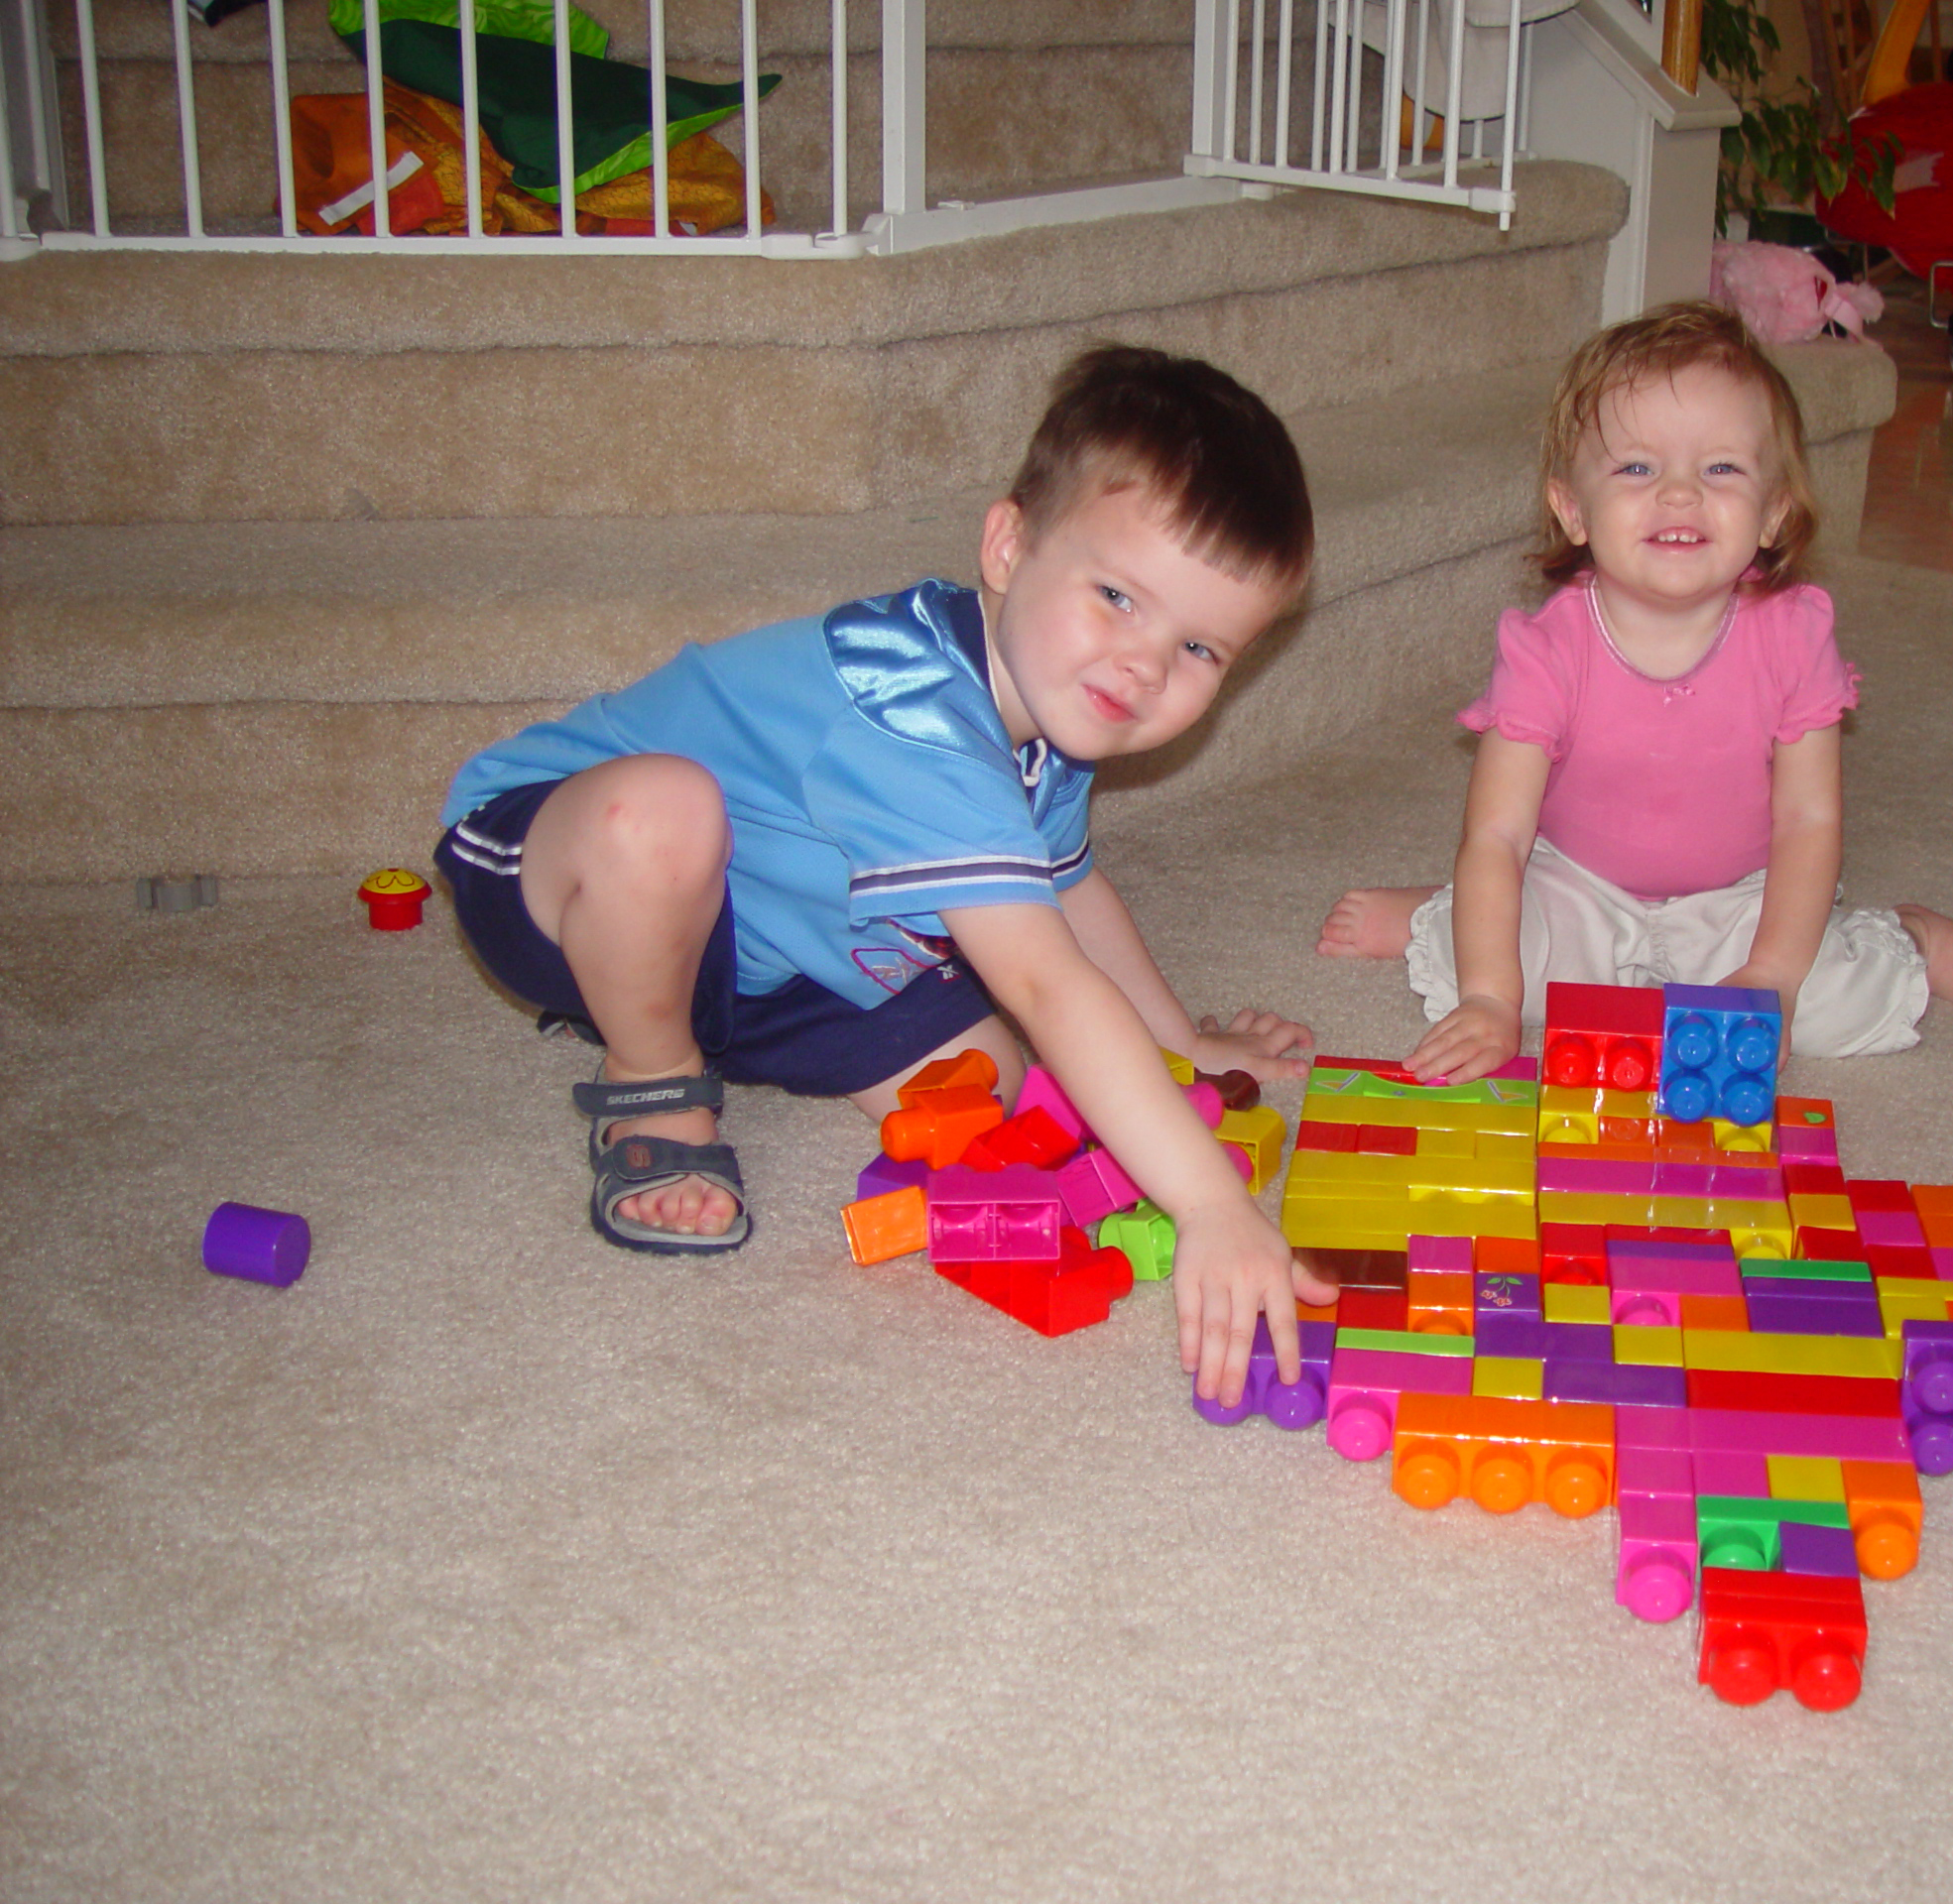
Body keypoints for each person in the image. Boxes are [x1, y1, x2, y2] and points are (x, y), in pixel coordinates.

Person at [434, 344, 1333, 1403]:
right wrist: (1209, 1206)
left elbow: (1069, 895)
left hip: (776, 940)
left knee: (987, 1093)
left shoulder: (1050, 706)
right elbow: (1048, 978)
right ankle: (650, 1077)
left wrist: (1176, 1040)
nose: (1143, 666)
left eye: (1200, 651)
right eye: (1116, 597)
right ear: (1006, 545)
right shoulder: (910, 712)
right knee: (661, 816)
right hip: (556, 865)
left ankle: (682, 1010)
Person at [1316, 300, 1953, 1084]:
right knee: (1477, 977)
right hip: (1577, 880)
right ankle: (1439, 909)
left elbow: (1808, 821)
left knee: (1830, 1008)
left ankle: (1911, 936)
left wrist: (1774, 980)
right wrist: (1489, 997)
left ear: (1774, 511)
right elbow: (1498, 838)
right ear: (1573, 509)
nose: (1681, 494)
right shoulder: (1545, 649)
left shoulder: (1793, 635)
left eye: (1720, 468)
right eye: (1638, 468)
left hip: (1742, 894)